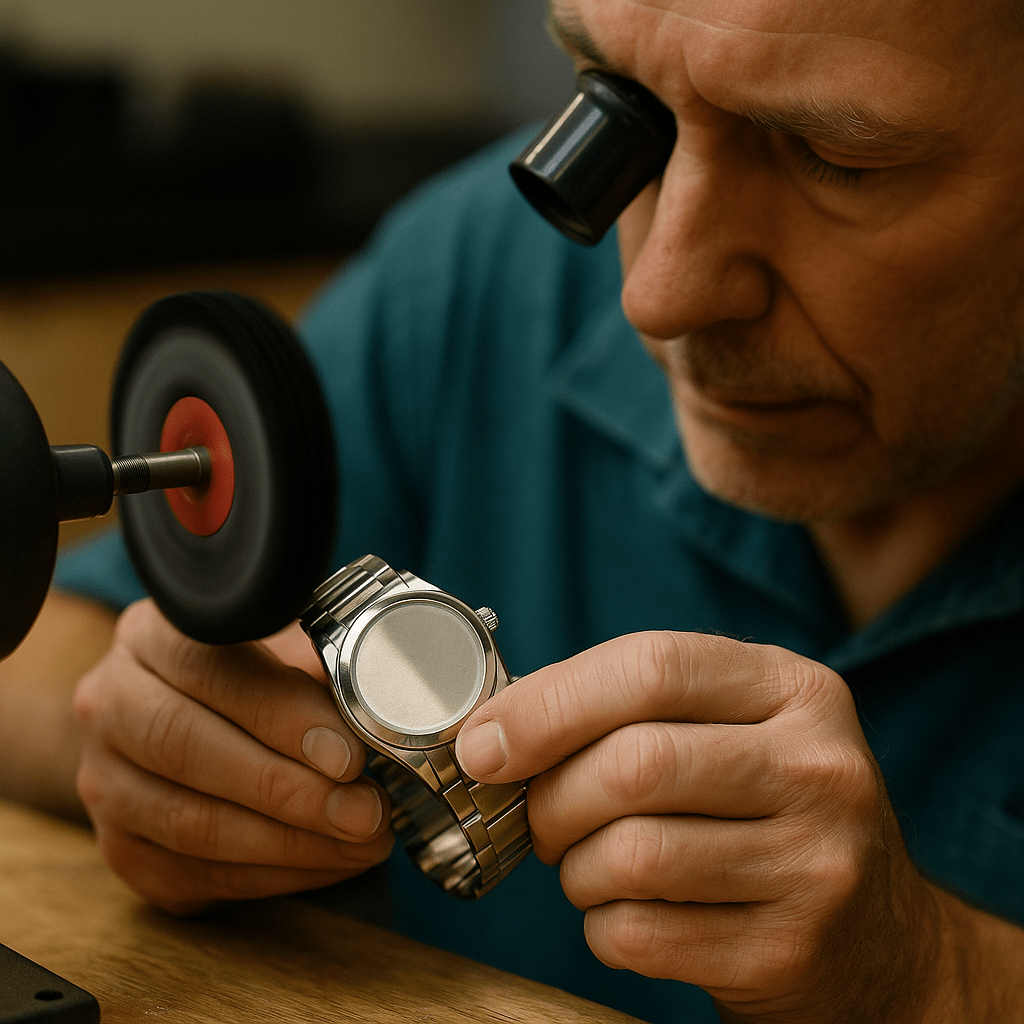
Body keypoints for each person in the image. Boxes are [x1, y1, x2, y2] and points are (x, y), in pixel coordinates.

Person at [3, 0, 1024, 1020]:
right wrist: (148, 755)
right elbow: (38, 661)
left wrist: (941, 978)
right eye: (623, 104)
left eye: (834, 158)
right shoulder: (487, 265)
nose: (657, 294)